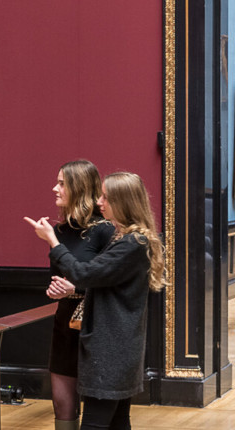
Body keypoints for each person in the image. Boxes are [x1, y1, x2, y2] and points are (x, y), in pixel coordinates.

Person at [25, 171, 167, 430]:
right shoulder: (130, 240)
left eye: (106, 197)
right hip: (119, 349)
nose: (100, 202)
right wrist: (72, 289)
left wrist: (53, 241)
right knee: (117, 423)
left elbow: (83, 273)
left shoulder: (131, 243)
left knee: (95, 424)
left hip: (111, 351)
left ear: (123, 202)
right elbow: (102, 283)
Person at [41, 160, 115, 430]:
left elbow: (110, 280)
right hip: (64, 323)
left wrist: (77, 289)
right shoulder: (58, 231)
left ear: (79, 188)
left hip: (96, 325)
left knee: (97, 410)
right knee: (62, 405)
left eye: (62, 183)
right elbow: (59, 275)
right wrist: (55, 290)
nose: (55, 188)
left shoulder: (105, 230)